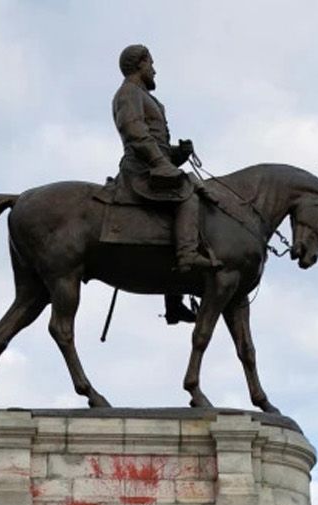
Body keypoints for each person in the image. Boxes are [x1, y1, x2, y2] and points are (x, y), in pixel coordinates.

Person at [112, 42, 216, 324]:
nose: (154, 70)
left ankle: (174, 302)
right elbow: (134, 132)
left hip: (152, 165)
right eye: (151, 63)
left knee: (171, 213)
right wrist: (161, 162)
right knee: (188, 192)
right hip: (140, 172)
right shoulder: (128, 93)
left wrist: (177, 154)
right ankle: (187, 256)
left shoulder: (145, 96)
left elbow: (156, 144)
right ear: (140, 64)